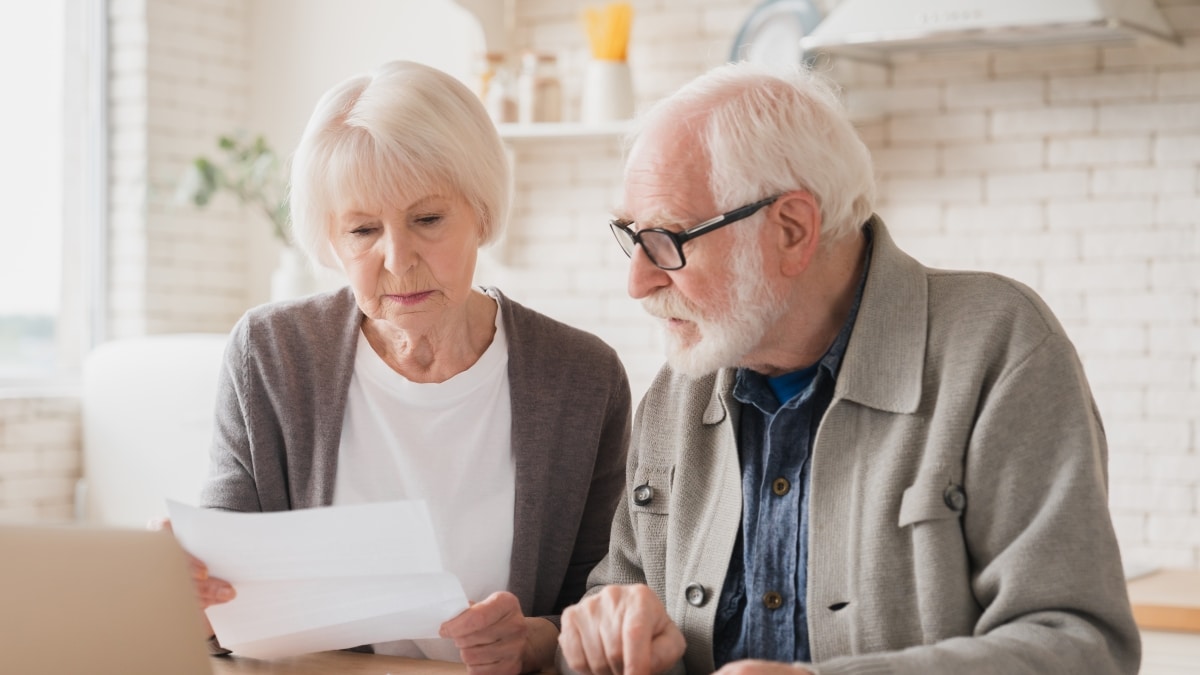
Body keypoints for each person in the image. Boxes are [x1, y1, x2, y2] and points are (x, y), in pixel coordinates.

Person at [557, 61, 1140, 675]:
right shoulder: (681, 384)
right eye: (631, 235)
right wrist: (610, 634)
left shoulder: (998, 346)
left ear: (791, 229)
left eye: (668, 239)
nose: (638, 281)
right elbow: (614, 595)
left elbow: (1080, 647)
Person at [184, 60, 631, 674]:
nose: (398, 259)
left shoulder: (583, 377)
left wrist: (532, 641)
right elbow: (221, 591)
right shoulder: (270, 354)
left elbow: (607, 600)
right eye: (363, 229)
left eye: (427, 219)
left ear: (480, 211)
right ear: (331, 241)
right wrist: (189, 586)